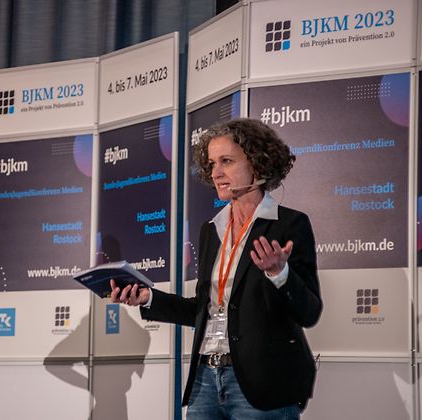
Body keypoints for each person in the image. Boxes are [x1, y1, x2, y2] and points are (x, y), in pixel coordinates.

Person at [111, 118, 322, 419]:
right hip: (205, 381)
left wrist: (280, 273)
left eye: (227, 161)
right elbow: (204, 309)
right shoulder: (211, 230)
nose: (216, 173)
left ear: (258, 163)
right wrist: (149, 298)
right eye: (212, 164)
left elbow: (309, 312)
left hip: (262, 384)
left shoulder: (289, 225)